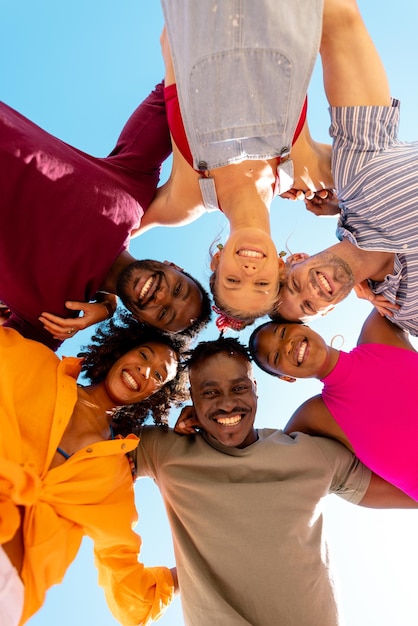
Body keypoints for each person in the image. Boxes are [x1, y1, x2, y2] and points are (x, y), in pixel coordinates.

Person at [133, 336, 418, 626]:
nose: (228, 403)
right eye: (210, 392)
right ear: (191, 399)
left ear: (256, 390)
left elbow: (411, 488)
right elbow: (92, 437)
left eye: (239, 387)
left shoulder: (311, 452)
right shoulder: (164, 451)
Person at [138, 0, 328, 327]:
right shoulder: (303, 169)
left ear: (217, 260)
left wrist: (107, 294)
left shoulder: (187, 199)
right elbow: (378, 172)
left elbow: (108, 237)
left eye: (233, 281)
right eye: (262, 284)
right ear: (281, 269)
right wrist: (345, 206)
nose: (248, 273)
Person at [0, 312, 189, 625]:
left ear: (155, 395)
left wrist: (201, 567)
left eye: (158, 376)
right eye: (144, 355)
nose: (145, 370)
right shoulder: (33, 364)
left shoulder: (113, 476)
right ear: (121, 350)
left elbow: (124, 576)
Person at [0, 82, 211, 352]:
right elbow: (177, 91)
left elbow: (9, 376)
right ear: (175, 266)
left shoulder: (51, 323)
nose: (161, 296)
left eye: (165, 314)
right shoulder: (133, 188)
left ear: (139, 320)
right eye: (178, 290)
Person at [274, 0, 418, 335]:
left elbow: (337, 17)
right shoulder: (406, 313)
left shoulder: (357, 176)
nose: (311, 292)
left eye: (294, 286)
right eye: (309, 306)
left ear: (297, 259)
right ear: (326, 314)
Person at [249, 309, 418, 499]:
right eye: (277, 357)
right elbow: (273, 466)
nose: (287, 346)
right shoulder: (315, 416)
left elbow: (398, 286)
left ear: (303, 325)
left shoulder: (378, 332)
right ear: (286, 378)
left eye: (282, 333)